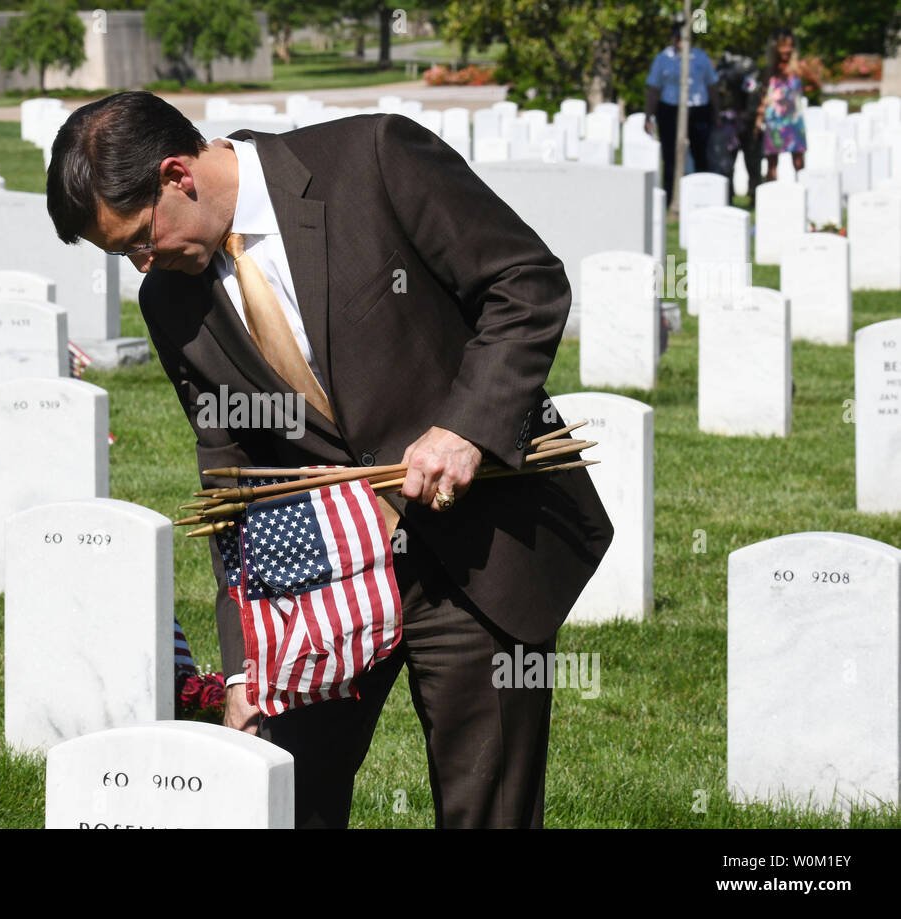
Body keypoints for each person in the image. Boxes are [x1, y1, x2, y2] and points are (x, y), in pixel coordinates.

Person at [45, 91, 613, 829]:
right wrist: (246, 662)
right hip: (319, 587)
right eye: (123, 256)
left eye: (137, 241)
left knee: (488, 811)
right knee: (293, 802)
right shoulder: (171, 302)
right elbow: (233, 476)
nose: (141, 265)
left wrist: (465, 427)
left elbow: (525, 283)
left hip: (473, 553)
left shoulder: (373, 160)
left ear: (178, 173)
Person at [645, 24, 719, 205]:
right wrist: (649, 115)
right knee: (669, 155)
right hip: (670, 108)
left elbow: (712, 86)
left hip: (698, 108)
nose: (678, 42)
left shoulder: (701, 58)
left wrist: (716, 112)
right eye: (675, 37)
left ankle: (704, 198)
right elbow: (654, 88)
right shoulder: (663, 59)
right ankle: (671, 198)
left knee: (700, 153)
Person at [756, 28, 808, 181]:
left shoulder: (798, 68)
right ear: (775, 48)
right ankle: (771, 194)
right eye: (783, 46)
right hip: (774, 120)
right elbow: (764, 95)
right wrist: (759, 118)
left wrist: (796, 95)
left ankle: (803, 189)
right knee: (772, 161)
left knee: (798, 160)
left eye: (791, 46)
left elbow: (816, 84)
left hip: (793, 119)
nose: (788, 50)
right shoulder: (769, 71)